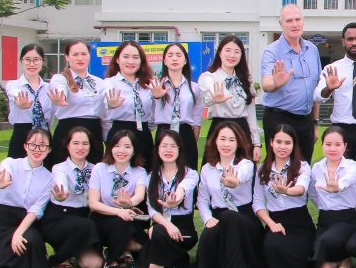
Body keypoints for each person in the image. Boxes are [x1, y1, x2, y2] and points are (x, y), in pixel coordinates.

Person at [197, 121, 263, 268]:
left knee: (229, 216)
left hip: (243, 217)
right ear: (215, 141)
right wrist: (207, 219)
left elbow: (241, 177)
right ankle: (218, 266)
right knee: (209, 234)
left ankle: (237, 266)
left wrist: (234, 181)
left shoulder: (246, 164)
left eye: (232, 140)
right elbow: (202, 200)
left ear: (238, 143)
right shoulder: (207, 169)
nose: (226, 144)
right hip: (218, 216)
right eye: (222, 139)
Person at [0, 128, 52, 268]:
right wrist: (1, 183)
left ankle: (3, 253)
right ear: (25, 146)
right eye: (33, 144)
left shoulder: (49, 178)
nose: (37, 149)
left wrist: (18, 233)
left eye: (42, 145)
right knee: (18, 251)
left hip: (24, 220)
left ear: (49, 149)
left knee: (31, 241)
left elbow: (36, 210)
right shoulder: (10, 163)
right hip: (1, 220)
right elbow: (5, 176)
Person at [130, 129, 199, 268]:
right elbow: (152, 210)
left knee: (155, 235)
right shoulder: (150, 177)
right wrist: (168, 225)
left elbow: (183, 188)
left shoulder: (191, 174)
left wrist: (176, 199)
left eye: (173, 146)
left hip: (183, 231)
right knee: (157, 231)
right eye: (164, 146)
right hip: (161, 228)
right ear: (157, 149)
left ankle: (171, 258)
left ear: (179, 150)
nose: (169, 150)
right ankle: (180, 258)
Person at [261, 4, 322, 158]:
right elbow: (266, 84)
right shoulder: (271, 51)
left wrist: (314, 123)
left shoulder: (312, 49)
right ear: (281, 24)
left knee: (304, 166)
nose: (294, 24)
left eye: (297, 19)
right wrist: (276, 83)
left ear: (303, 21)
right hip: (279, 119)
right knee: (279, 166)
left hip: (306, 120)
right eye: (289, 21)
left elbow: (315, 88)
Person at [315, 22, 356, 168]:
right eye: (350, 39)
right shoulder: (332, 69)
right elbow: (318, 97)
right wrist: (329, 89)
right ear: (343, 42)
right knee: (338, 174)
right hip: (340, 131)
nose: (354, 43)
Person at [253, 124, 314, 268]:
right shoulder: (262, 170)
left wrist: (286, 191)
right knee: (272, 246)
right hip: (276, 222)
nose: (282, 147)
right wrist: (271, 224)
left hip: (300, 222)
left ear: (294, 145)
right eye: (278, 142)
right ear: (271, 142)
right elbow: (258, 203)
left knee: (299, 257)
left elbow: (301, 189)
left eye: (288, 143)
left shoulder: (302, 166)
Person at [308, 126, 356, 268]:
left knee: (326, 241)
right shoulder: (316, 168)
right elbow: (313, 193)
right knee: (321, 267)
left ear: (345, 146)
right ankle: (338, 258)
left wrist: (338, 186)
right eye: (328, 144)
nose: (333, 149)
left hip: (347, 219)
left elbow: (348, 180)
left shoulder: (353, 166)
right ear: (322, 145)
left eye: (337, 144)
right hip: (325, 219)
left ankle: (345, 258)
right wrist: (323, 205)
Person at [87, 129, 148, 268]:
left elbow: (139, 195)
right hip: (103, 216)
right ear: (110, 148)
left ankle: (120, 250)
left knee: (142, 245)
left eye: (127, 146)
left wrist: (129, 203)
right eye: (117, 146)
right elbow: (93, 203)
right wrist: (119, 211)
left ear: (134, 150)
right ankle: (111, 260)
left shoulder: (139, 171)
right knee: (123, 222)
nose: (122, 150)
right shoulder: (99, 168)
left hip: (127, 216)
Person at [42, 126, 102, 268]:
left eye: (85, 143)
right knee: (87, 225)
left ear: (90, 146)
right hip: (60, 217)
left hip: (84, 217)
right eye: (75, 143)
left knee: (94, 263)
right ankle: (57, 260)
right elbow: (60, 182)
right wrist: (61, 195)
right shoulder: (59, 168)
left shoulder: (96, 169)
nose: (80, 147)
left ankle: (72, 253)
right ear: (68, 145)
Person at [198, 35, 261, 162]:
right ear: (220, 53)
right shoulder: (209, 77)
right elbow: (207, 99)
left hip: (242, 129)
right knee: (214, 168)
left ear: (241, 55)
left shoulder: (246, 81)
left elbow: (251, 113)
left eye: (237, 51)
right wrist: (215, 98)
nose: (232, 55)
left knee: (243, 169)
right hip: (219, 128)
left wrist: (257, 143)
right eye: (228, 50)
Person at [47, 40, 105, 167]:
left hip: (93, 132)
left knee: (94, 172)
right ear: (67, 57)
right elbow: (59, 88)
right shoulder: (60, 78)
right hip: (68, 132)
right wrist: (60, 97)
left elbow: (106, 111)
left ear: (89, 55)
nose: (80, 58)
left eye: (83, 54)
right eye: (75, 54)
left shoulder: (99, 82)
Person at [151, 42, 203, 171]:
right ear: (165, 61)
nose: (174, 58)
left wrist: (192, 141)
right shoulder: (156, 86)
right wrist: (155, 97)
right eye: (170, 55)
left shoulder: (194, 88)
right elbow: (149, 114)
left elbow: (197, 118)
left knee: (188, 172)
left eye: (178, 55)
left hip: (185, 133)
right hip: (164, 131)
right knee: (162, 172)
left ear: (185, 61)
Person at [102, 40, 156, 164]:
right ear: (117, 59)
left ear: (141, 61)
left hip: (143, 135)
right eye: (126, 57)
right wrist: (110, 105)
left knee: (145, 171)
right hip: (119, 133)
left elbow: (153, 114)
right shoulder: (110, 83)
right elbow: (103, 111)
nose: (130, 61)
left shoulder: (148, 85)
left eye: (135, 57)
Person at [5, 43, 53, 159]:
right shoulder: (13, 85)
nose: (32, 64)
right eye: (27, 60)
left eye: (36, 60)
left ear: (42, 61)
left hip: (44, 135)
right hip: (22, 134)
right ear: (21, 61)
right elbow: (14, 94)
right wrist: (20, 101)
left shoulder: (49, 88)